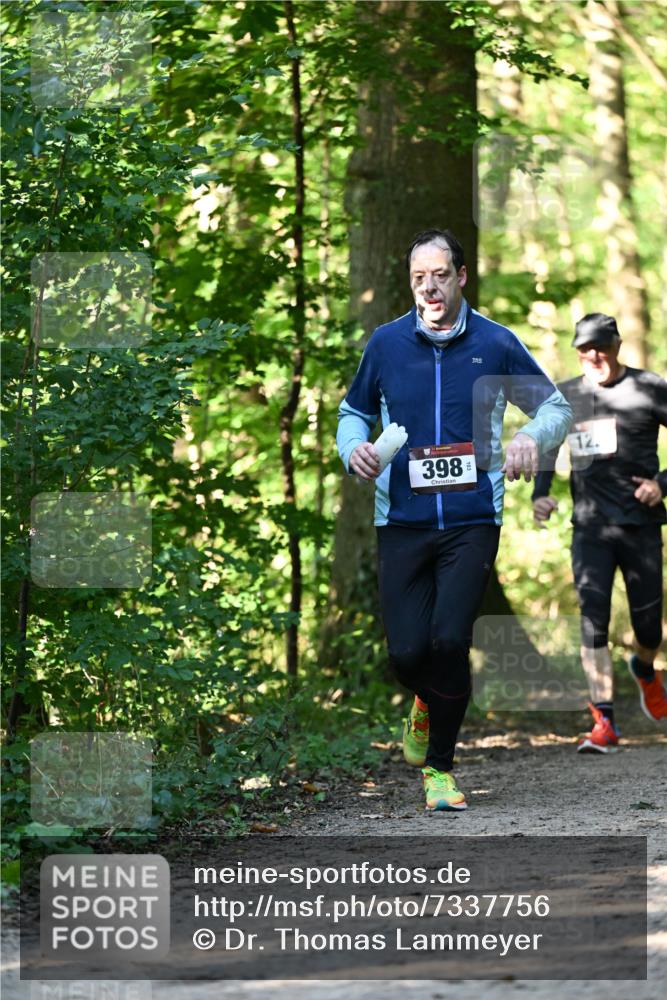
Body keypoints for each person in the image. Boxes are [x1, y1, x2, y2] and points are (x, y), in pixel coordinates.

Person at [336, 229, 572, 810]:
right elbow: (352, 412)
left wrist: (529, 436)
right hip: (402, 519)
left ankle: (439, 769)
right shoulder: (387, 344)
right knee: (406, 655)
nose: (430, 287)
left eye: (440, 275)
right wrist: (352, 448)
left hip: (472, 519)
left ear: (461, 277)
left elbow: (556, 407)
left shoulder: (495, 342)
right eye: (419, 278)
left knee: (449, 640)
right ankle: (425, 700)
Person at [532, 313, 667, 752]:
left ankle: (644, 669)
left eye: (601, 347)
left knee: (649, 629)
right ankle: (604, 721)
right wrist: (540, 494)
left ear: (617, 346)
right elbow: (548, 445)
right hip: (589, 527)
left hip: (641, 526)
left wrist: (661, 484)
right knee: (593, 622)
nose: (593, 355)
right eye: (584, 349)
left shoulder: (649, 387)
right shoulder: (567, 395)